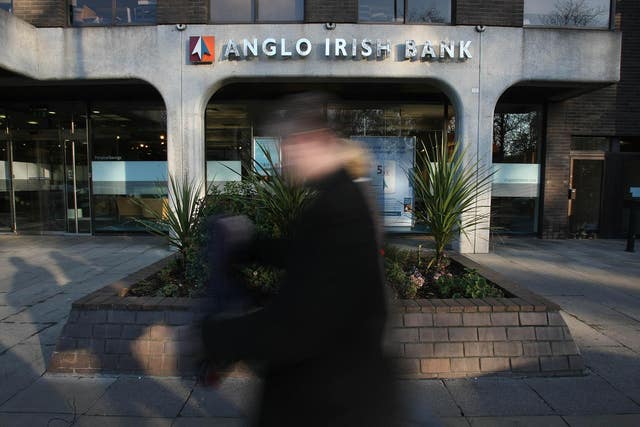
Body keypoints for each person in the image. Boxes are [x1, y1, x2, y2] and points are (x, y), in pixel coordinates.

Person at [201, 92, 400, 426]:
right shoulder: (334, 195)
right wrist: (250, 245)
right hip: (330, 390)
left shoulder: (337, 206)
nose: (283, 159)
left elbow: (301, 324)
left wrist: (215, 337)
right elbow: (309, 254)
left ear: (313, 140)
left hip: (333, 398)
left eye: (287, 146)